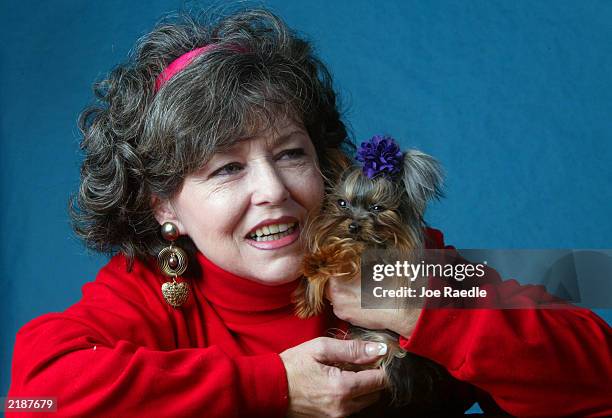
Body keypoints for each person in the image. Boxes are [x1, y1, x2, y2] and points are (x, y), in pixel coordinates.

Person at [7, 8, 612, 418]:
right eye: (227, 168)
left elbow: (599, 367)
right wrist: (272, 388)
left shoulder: (396, 258)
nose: (272, 188)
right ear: (165, 205)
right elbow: (32, 403)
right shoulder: (150, 294)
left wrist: (423, 309)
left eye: (289, 153)